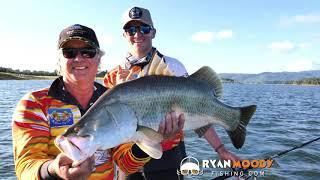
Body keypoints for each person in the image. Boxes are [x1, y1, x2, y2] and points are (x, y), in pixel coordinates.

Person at [12, 24, 183, 180]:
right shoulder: (34, 103)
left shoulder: (115, 101)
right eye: (69, 52)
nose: (79, 58)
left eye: (87, 51)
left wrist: (152, 139)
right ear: (59, 59)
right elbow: (25, 166)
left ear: (98, 59)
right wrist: (54, 170)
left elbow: (126, 164)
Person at [104, 7, 241, 180]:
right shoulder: (112, 75)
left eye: (144, 29)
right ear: (124, 35)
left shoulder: (173, 66)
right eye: (130, 30)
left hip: (169, 157)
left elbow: (199, 108)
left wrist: (220, 149)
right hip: (129, 159)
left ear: (153, 32)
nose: (137, 34)